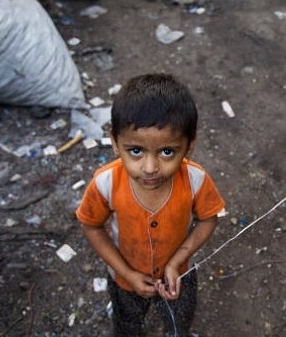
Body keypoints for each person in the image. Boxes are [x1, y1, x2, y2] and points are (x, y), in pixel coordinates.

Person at [76, 73, 225, 337]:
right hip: (125, 279)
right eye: (135, 150)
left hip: (179, 276)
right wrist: (127, 274)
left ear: (189, 146)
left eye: (167, 152)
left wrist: (176, 262)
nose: (150, 168)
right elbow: (91, 226)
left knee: (178, 324)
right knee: (127, 325)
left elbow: (208, 218)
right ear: (114, 141)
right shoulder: (105, 183)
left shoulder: (196, 180)